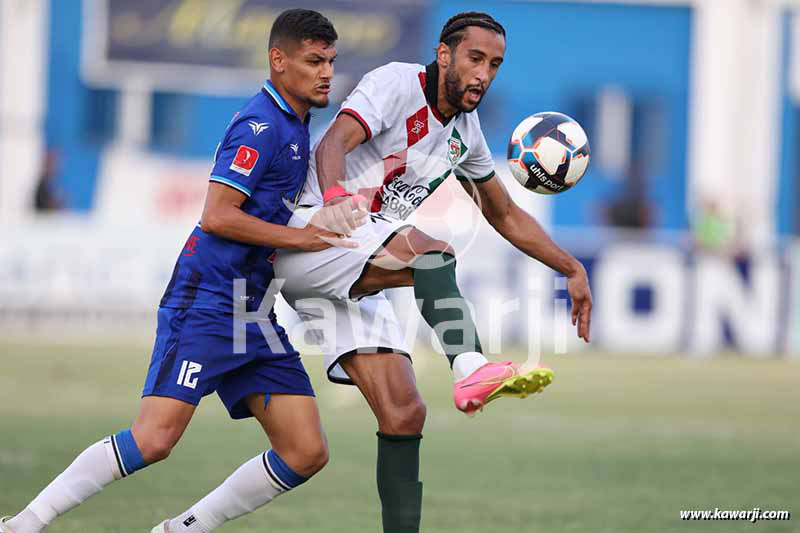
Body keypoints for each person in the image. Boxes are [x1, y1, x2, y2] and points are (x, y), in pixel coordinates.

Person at [2, 9, 358, 533]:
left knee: (305, 450)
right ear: (278, 61)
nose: (326, 71)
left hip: (254, 310)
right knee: (154, 440)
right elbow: (216, 215)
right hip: (208, 300)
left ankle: (181, 530)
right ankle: (24, 523)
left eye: (330, 60)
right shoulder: (259, 126)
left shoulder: (299, 123)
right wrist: (301, 237)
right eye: (313, 61)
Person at [273, 12, 593, 533]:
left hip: (356, 263)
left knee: (404, 413)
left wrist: (571, 267)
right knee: (431, 252)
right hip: (313, 234)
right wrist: (333, 198)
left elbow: (504, 213)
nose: (483, 75)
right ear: (444, 55)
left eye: (494, 65)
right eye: (475, 59)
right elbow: (333, 143)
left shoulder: (465, 135)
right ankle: (470, 368)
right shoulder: (395, 84)